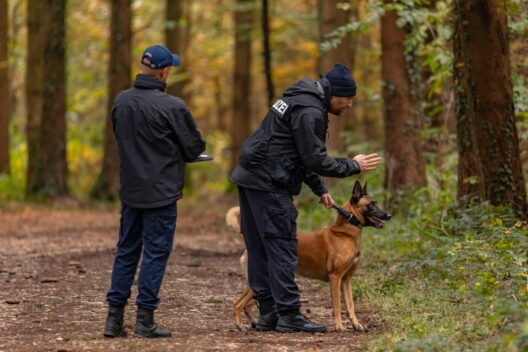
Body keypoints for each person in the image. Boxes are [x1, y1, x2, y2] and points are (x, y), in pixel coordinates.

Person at [229, 63, 382, 333]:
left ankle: (269, 315)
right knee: (284, 246)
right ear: (334, 93)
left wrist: (319, 188)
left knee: (260, 249)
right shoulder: (311, 111)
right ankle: (288, 314)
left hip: (250, 178)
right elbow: (314, 158)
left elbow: (296, 153)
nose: (348, 105)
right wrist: (353, 166)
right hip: (268, 183)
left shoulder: (298, 98)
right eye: (347, 99)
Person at [103, 45, 206, 338]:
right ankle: (145, 320)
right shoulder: (173, 106)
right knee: (155, 253)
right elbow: (194, 147)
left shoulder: (121, 101)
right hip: (161, 192)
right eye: (169, 68)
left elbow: (121, 136)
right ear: (163, 72)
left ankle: (114, 319)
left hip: (131, 190)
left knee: (126, 250)